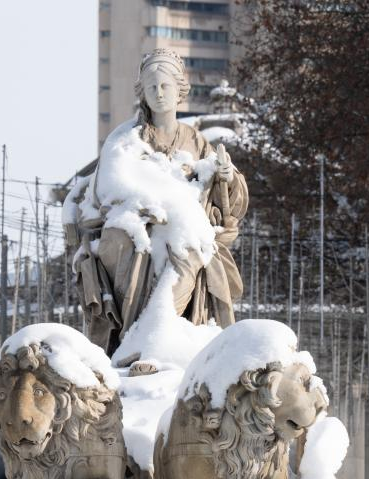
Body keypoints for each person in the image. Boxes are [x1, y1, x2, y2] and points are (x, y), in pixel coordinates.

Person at [69, 49, 249, 358]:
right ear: (143, 93)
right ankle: (131, 339)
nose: (159, 93)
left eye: (165, 85)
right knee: (124, 241)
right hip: (135, 225)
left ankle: (154, 339)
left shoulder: (196, 141)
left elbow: (227, 199)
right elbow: (108, 189)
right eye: (152, 87)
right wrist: (146, 205)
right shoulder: (126, 138)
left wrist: (225, 176)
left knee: (190, 250)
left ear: (180, 90)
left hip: (184, 227)